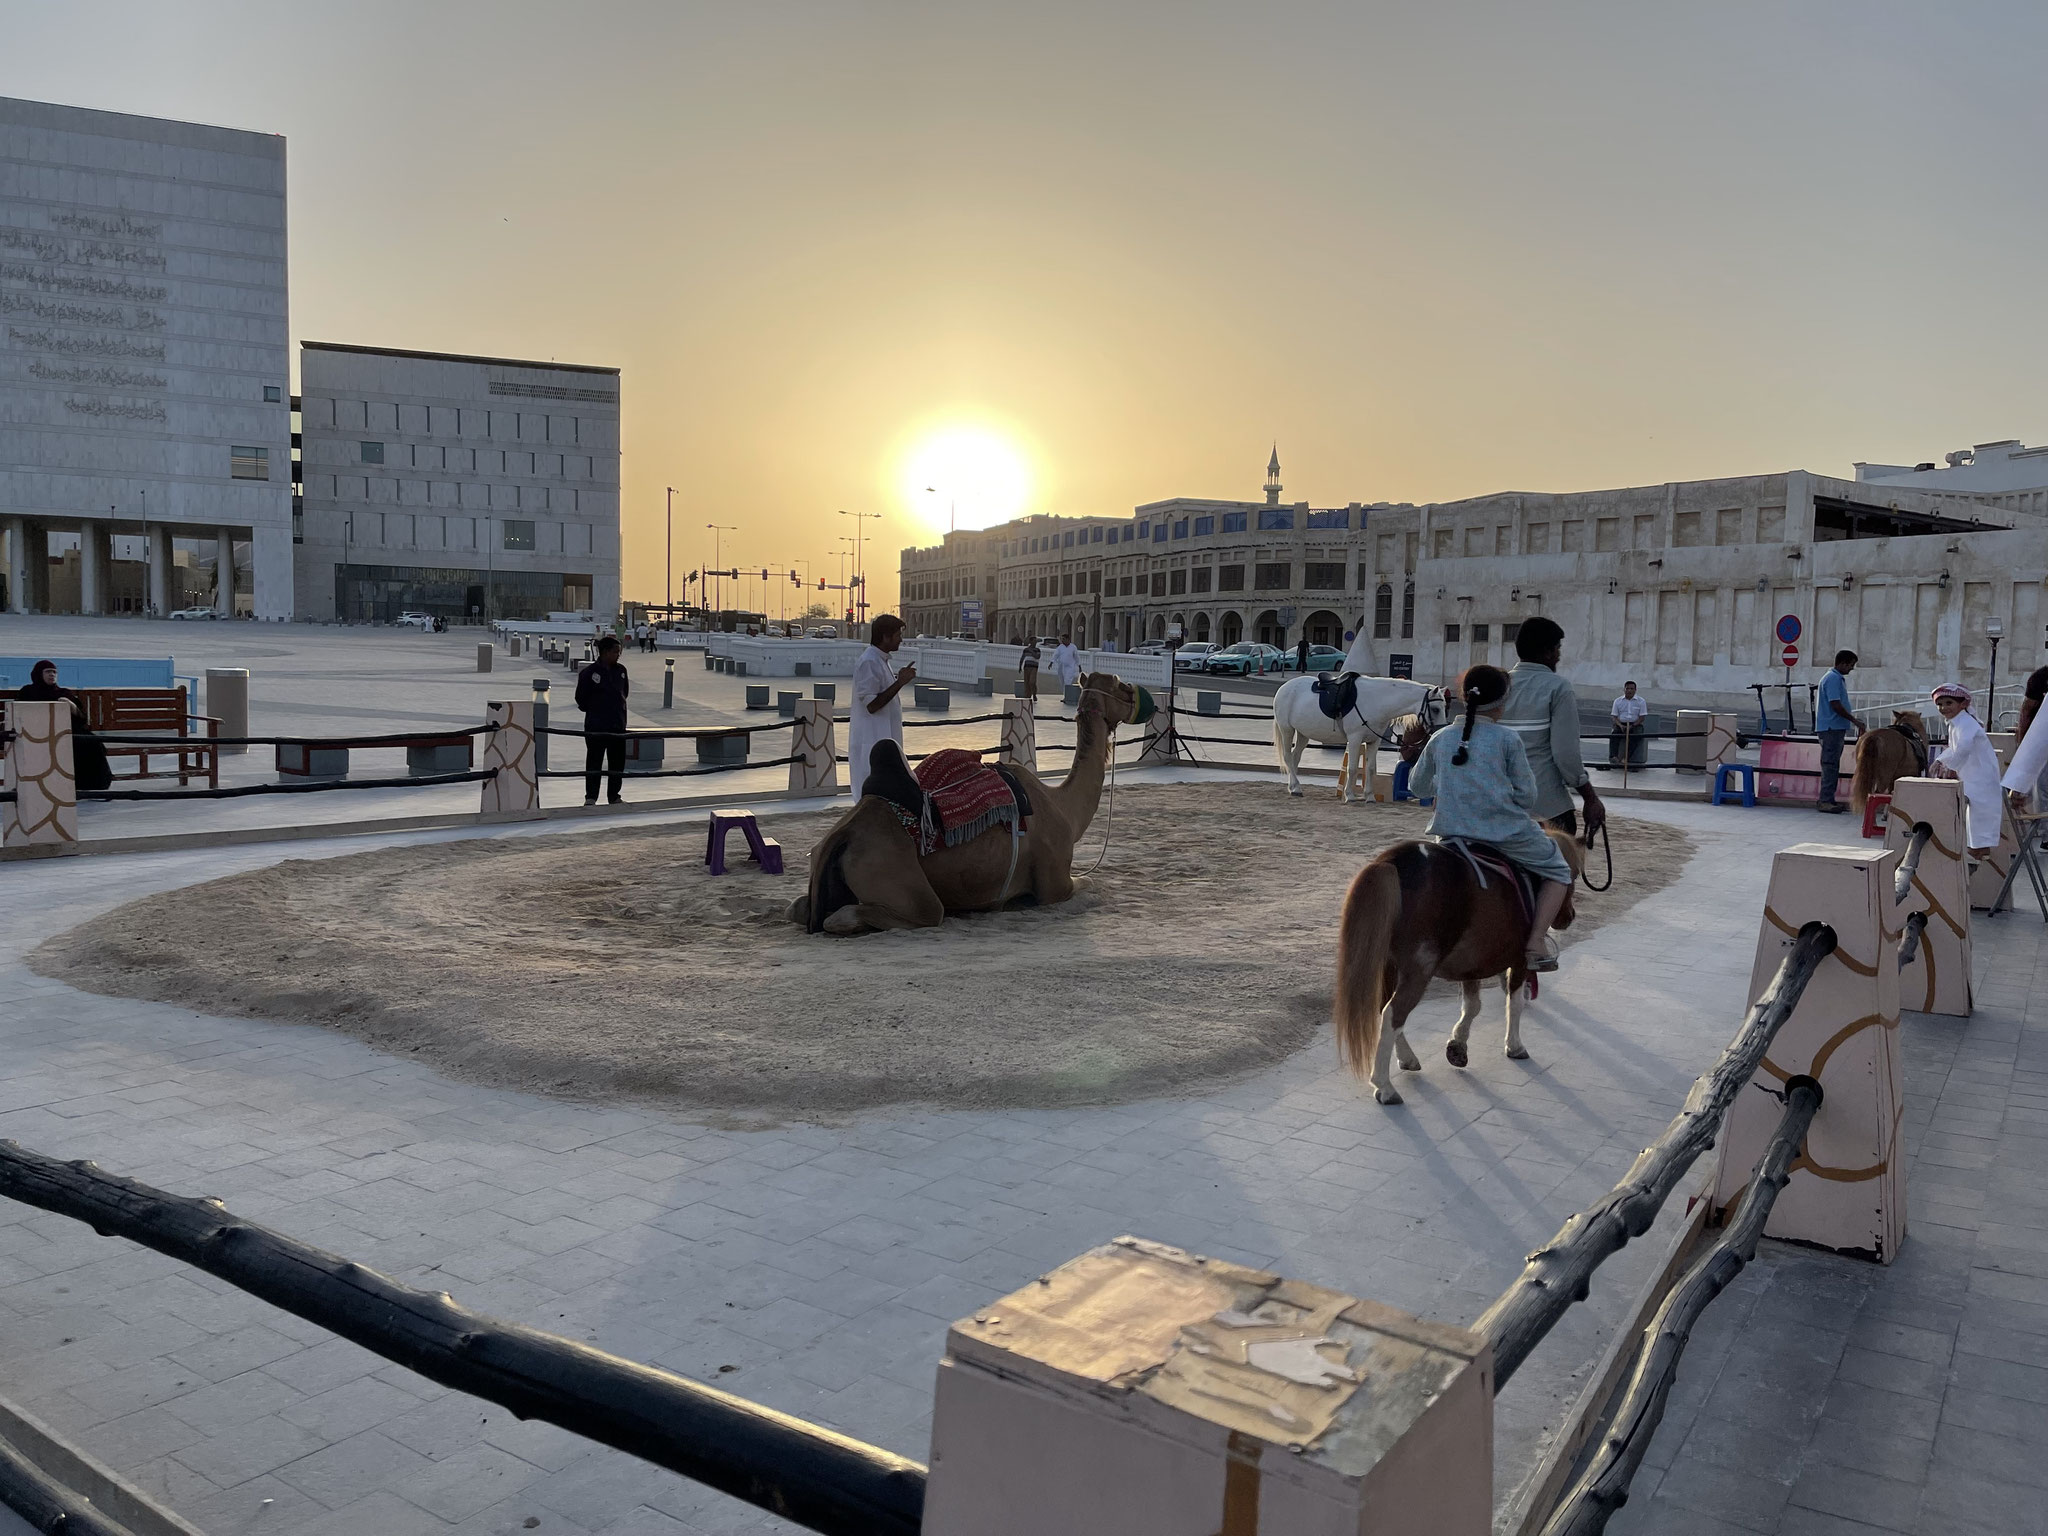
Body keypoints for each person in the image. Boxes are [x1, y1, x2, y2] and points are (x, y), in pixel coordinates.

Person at [1409, 664, 1576, 974]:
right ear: (1502, 701)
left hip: (1449, 835)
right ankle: (1536, 942)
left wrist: (1449, 785)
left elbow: (1416, 787)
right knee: (1559, 869)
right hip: (1505, 833)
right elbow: (1527, 796)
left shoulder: (1442, 737)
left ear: (1464, 697)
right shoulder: (1508, 739)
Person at [1499, 616, 1606, 837]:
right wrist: (1590, 797)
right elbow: (1565, 754)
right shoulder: (1558, 688)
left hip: (1496, 802)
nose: (1559, 656)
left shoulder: (1499, 685)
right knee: (1561, 867)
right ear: (1547, 652)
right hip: (1545, 805)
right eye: (1557, 649)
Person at [1928, 683, 2001, 858]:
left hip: (1980, 776)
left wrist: (1951, 768)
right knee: (1972, 814)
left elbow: (1963, 748)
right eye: (1940, 704)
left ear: (1963, 704)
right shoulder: (1956, 723)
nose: (1943, 708)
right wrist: (1940, 760)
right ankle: (1976, 850)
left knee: (1980, 813)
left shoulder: (1966, 723)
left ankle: (1977, 852)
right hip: (1971, 775)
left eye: (1948, 703)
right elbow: (1954, 748)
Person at [16, 660, 112, 793]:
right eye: (48, 671)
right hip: (39, 733)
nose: (52, 675)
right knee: (73, 743)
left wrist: (72, 707)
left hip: (68, 731)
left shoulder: (64, 692)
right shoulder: (28, 691)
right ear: (39, 674)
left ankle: (95, 785)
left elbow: (82, 718)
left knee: (90, 743)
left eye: (54, 672)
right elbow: (20, 712)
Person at [851, 614, 914, 799]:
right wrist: (900, 683)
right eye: (897, 635)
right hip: (871, 741)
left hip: (883, 740)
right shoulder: (869, 662)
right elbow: (872, 705)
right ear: (886, 637)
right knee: (870, 796)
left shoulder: (881, 661)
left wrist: (897, 680)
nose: (901, 639)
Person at [574, 635, 631, 805]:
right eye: (615, 652)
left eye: (619, 652)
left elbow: (624, 693)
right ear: (605, 652)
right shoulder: (589, 673)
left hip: (617, 725)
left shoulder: (621, 670)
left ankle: (614, 796)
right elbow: (580, 698)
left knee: (617, 763)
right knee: (594, 762)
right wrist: (597, 708)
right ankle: (591, 797)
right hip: (596, 726)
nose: (618, 655)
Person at [1815, 650, 1859, 813]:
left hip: (1835, 728)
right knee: (1830, 764)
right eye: (1850, 665)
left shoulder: (1835, 678)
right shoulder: (1833, 678)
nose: (1851, 669)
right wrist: (1853, 720)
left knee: (1832, 764)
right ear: (1842, 663)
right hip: (1831, 728)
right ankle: (1825, 800)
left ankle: (1829, 799)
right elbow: (1835, 704)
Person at [1609, 681, 1649, 769]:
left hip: (1635, 724)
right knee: (1614, 735)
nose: (1629, 691)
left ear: (1635, 690)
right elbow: (1614, 716)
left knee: (1635, 737)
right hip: (1621, 723)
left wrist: (1632, 726)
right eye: (1627, 688)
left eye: (1632, 689)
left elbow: (1642, 718)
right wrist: (1620, 725)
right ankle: (1613, 757)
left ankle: (1626, 758)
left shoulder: (1641, 701)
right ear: (1624, 689)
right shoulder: (1618, 701)